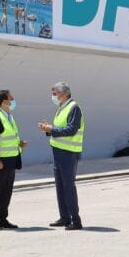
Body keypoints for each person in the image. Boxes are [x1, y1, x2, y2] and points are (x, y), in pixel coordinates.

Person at [38, 80, 84, 229]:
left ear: (64, 94)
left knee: (68, 186)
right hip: (58, 152)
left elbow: (71, 130)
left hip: (68, 153)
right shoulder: (61, 108)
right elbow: (59, 129)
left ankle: (75, 221)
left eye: (55, 94)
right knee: (60, 187)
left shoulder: (73, 108)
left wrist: (51, 129)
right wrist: (48, 129)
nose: (53, 97)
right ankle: (64, 218)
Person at [0, 89, 27, 230]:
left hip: (10, 161)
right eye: (11, 98)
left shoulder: (9, 117)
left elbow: (8, 140)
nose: (13, 101)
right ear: (4, 101)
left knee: (6, 192)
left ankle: (2, 219)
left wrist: (20, 146)